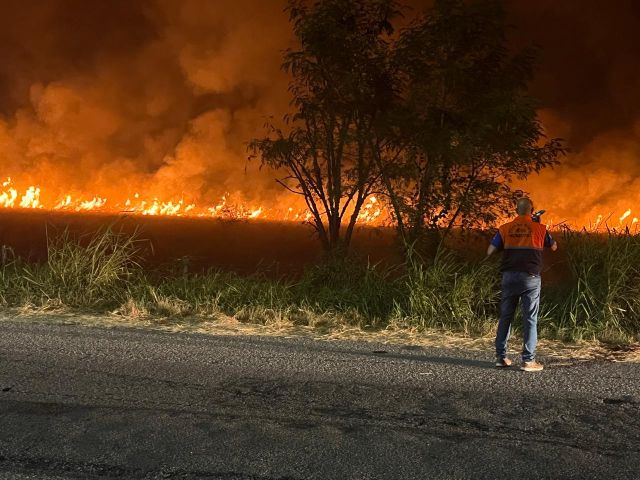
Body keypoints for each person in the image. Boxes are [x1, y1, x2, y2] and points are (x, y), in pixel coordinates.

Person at [486, 197, 557, 372]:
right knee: (530, 318)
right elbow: (554, 246)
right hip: (530, 278)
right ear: (532, 211)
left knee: (506, 317)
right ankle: (528, 361)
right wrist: (537, 226)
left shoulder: (504, 228)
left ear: (516, 210)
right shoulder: (540, 229)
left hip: (509, 277)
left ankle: (501, 358)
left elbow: (489, 251)